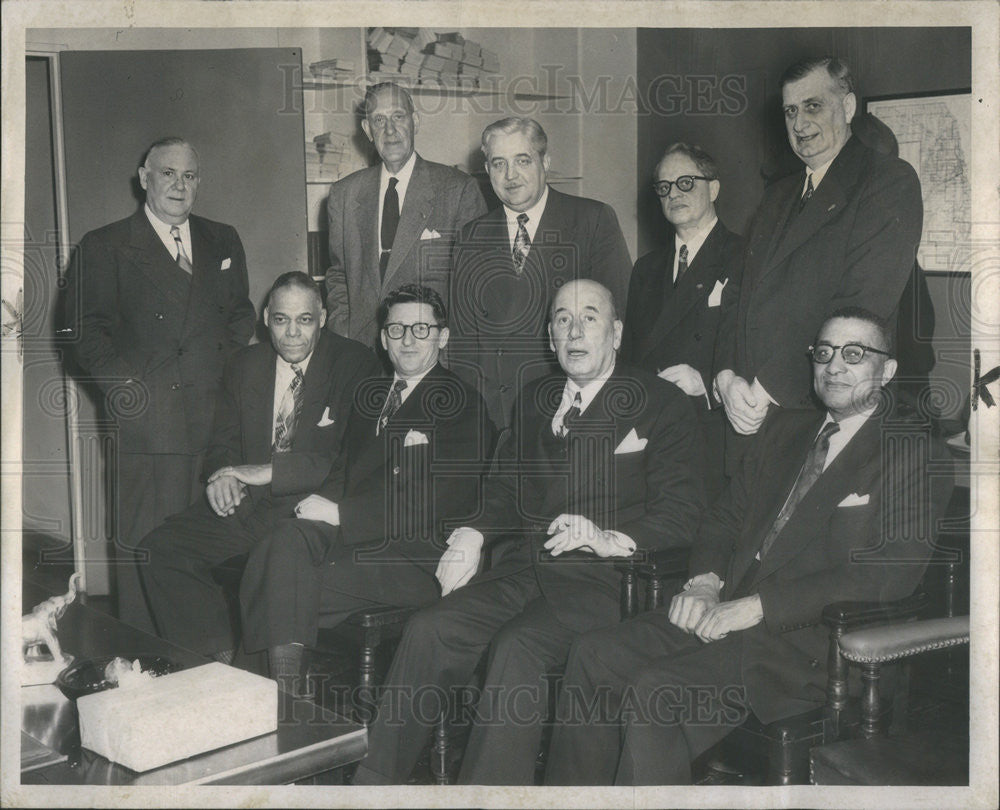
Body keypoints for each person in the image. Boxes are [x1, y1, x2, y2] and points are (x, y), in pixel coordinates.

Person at [544, 307, 951, 785]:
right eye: (824, 353)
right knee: (594, 654)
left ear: (888, 370)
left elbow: (886, 574)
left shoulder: (913, 450)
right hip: (723, 608)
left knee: (656, 689)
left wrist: (757, 608)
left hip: (809, 645)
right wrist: (704, 582)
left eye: (855, 354)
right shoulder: (785, 431)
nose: (835, 365)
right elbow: (722, 519)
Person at [351, 279, 705, 786]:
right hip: (522, 569)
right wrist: (473, 534)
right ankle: (373, 787)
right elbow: (503, 488)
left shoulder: (659, 402)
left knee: (519, 648)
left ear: (617, 332)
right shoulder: (536, 398)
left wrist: (608, 537)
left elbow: (683, 513)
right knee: (430, 628)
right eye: (562, 319)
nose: (575, 331)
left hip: (607, 583)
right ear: (549, 334)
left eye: (590, 318)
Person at [238, 284, 496, 691]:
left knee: (277, 584)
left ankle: (269, 702)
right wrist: (319, 503)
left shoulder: (462, 404)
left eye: (421, 330)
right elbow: (344, 470)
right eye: (396, 330)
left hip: (415, 557)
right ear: (382, 338)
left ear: (443, 338)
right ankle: (276, 698)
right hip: (358, 544)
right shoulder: (371, 397)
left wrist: (340, 514)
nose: (407, 340)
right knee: (283, 541)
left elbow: (438, 499)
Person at [63, 136, 257, 633]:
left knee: (207, 549)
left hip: (216, 424)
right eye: (167, 173)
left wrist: (231, 384)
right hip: (151, 427)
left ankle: (206, 668)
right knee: (147, 551)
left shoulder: (222, 239)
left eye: (189, 176)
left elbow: (240, 317)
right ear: (143, 177)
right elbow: (84, 331)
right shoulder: (105, 245)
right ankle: (145, 669)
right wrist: (129, 392)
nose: (179, 185)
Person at [138, 272, 379, 661]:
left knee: (269, 567)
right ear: (266, 318)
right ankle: (215, 663)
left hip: (307, 513)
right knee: (159, 549)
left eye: (305, 320)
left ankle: (259, 685)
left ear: (324, 317)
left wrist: (270, 471)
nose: (293, 333)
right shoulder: (245, 364)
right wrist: (221, 477)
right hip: (248, 507)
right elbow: (221, 444)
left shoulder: (355, 364)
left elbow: (351, 460)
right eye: (282, 319)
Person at [714, 57, 922, 444]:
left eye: (813, 106)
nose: (799, 123)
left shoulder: (888, 182)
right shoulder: (777, 196)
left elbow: (861, 309)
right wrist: (726, 377)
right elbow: (736, 294)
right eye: (790, 111)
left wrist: (765, 389)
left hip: (817, 418)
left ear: (847, 107)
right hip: (745, 412)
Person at [449, 117, 633, 430]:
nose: (510, 176)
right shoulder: (471, 236)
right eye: (498, 163)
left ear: (545, 161)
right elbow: (463, 343)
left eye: (523, 160)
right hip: (493, 418)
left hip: (568, 412)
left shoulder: (592, 220)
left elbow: (620, 323)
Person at [621, 142, 742, 504]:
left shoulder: (745, 256)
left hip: (713, 431)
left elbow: (758, 351)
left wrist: (706, 383)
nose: (674, 193)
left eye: (686, 183)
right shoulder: (646, 268)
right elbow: (631, 358)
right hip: (654, 434)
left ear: (714, 188)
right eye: (664, 187)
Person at [325, 82, 487, 349]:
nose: (390, 130)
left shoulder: (458, 190)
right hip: (361, 351)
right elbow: (338, 274)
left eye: (398, 117)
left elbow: (474, 284)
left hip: (426, 351)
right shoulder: (344, 194)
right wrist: (344, 332)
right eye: (379, 119)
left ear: (416, 122)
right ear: (367, 130)